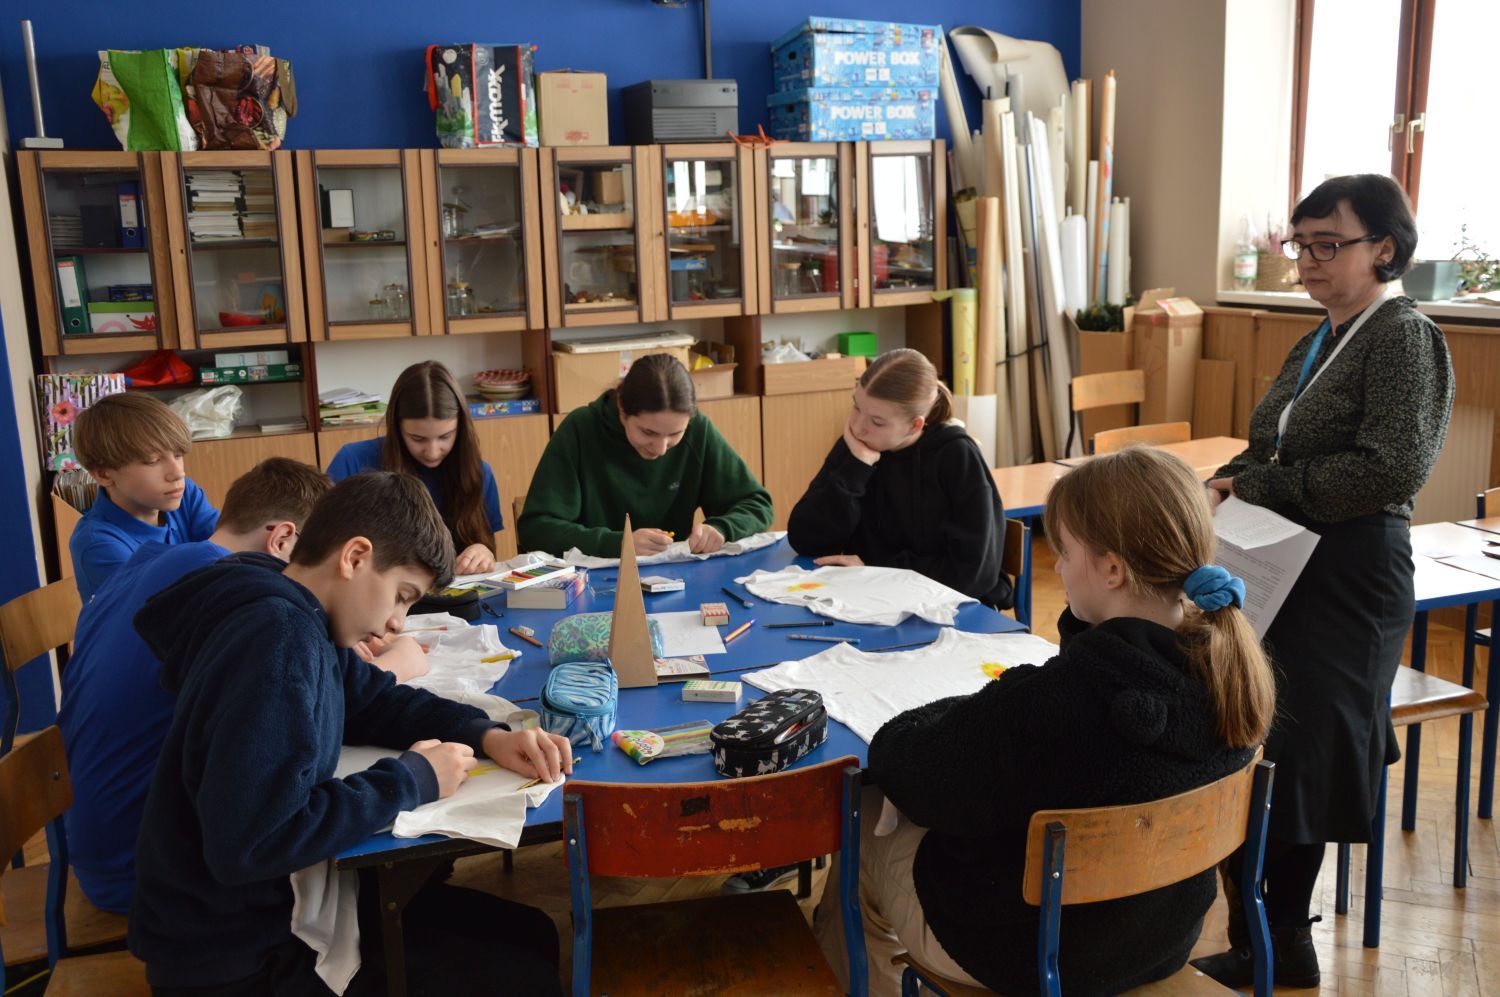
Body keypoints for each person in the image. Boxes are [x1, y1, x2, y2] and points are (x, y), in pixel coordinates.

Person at [814, 447, 1276, 995]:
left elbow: (915, 774)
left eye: (1065, 552)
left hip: (1028, 955)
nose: (1056, 567)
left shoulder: (1061, 701)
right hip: (1160, 937)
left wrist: (946, 716)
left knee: (865, 819)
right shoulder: (1227, 671)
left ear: (1112, 569)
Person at [127, 472, 571, 995]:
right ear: (355, 557)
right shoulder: (276, 638)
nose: (399, 623)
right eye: (402, 596)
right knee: (525, 979)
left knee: (532, 933)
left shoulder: (295, 611)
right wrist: (410, 780)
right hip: (236, 956)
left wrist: (487, 735)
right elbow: (252, 842)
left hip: (276, 908)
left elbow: (373, 700)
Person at [1193, 174, 1454, 989]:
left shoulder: (1403, 336)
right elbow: (1269, 447)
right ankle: (1258, 935)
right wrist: (1217, 484)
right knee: (1259, 732)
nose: (1307, 261)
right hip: (1285, 556)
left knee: (1301, 751)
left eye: (1327, 244)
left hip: (1350, 573)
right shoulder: (1320, 337)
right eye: (1299, 244)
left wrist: (1257, 484)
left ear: (1385, 248)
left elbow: (1389, 469)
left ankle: (1281, 944)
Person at [58, 458, 345, 914]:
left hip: (98, 846)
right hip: (145, 874)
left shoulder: (159, 559)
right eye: (315, 562)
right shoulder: (235, 597)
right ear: (282, 540)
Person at [787, 348, 1013, 608]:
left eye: (877, 421)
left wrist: (876, 569)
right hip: (871, 598)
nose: (858, 426)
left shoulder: (956, 456)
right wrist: (856, 469)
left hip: (949, 607)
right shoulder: (858, 447)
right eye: (856, 406)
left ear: (915, 425)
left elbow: (973, 573)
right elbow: (806, 540)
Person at [518, 353, 773, 558]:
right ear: (622, 408)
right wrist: (617, 543)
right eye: (648, 432)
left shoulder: (698, 430)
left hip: (674, 576)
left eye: (675, 434)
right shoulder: (580, 429)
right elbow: (536, 529)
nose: (660, 448)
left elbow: (757, 504)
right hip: (592, 582)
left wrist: (721, 529)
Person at [327, 361, 504, 576]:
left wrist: (483, 551)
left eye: (445, 437)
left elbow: (487, 549)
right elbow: (324, 552)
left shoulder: (478, 474)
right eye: (418, 439)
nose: (433, 452)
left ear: (461, 428)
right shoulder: (352, 461)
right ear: (397, 427)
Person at [68, 393, 219, 602]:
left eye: (178, 455)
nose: (178, 473)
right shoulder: (98, 544)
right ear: (104, 474)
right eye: (152, 461)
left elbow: (228, 545)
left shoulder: (183, 493)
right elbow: (173, 608)